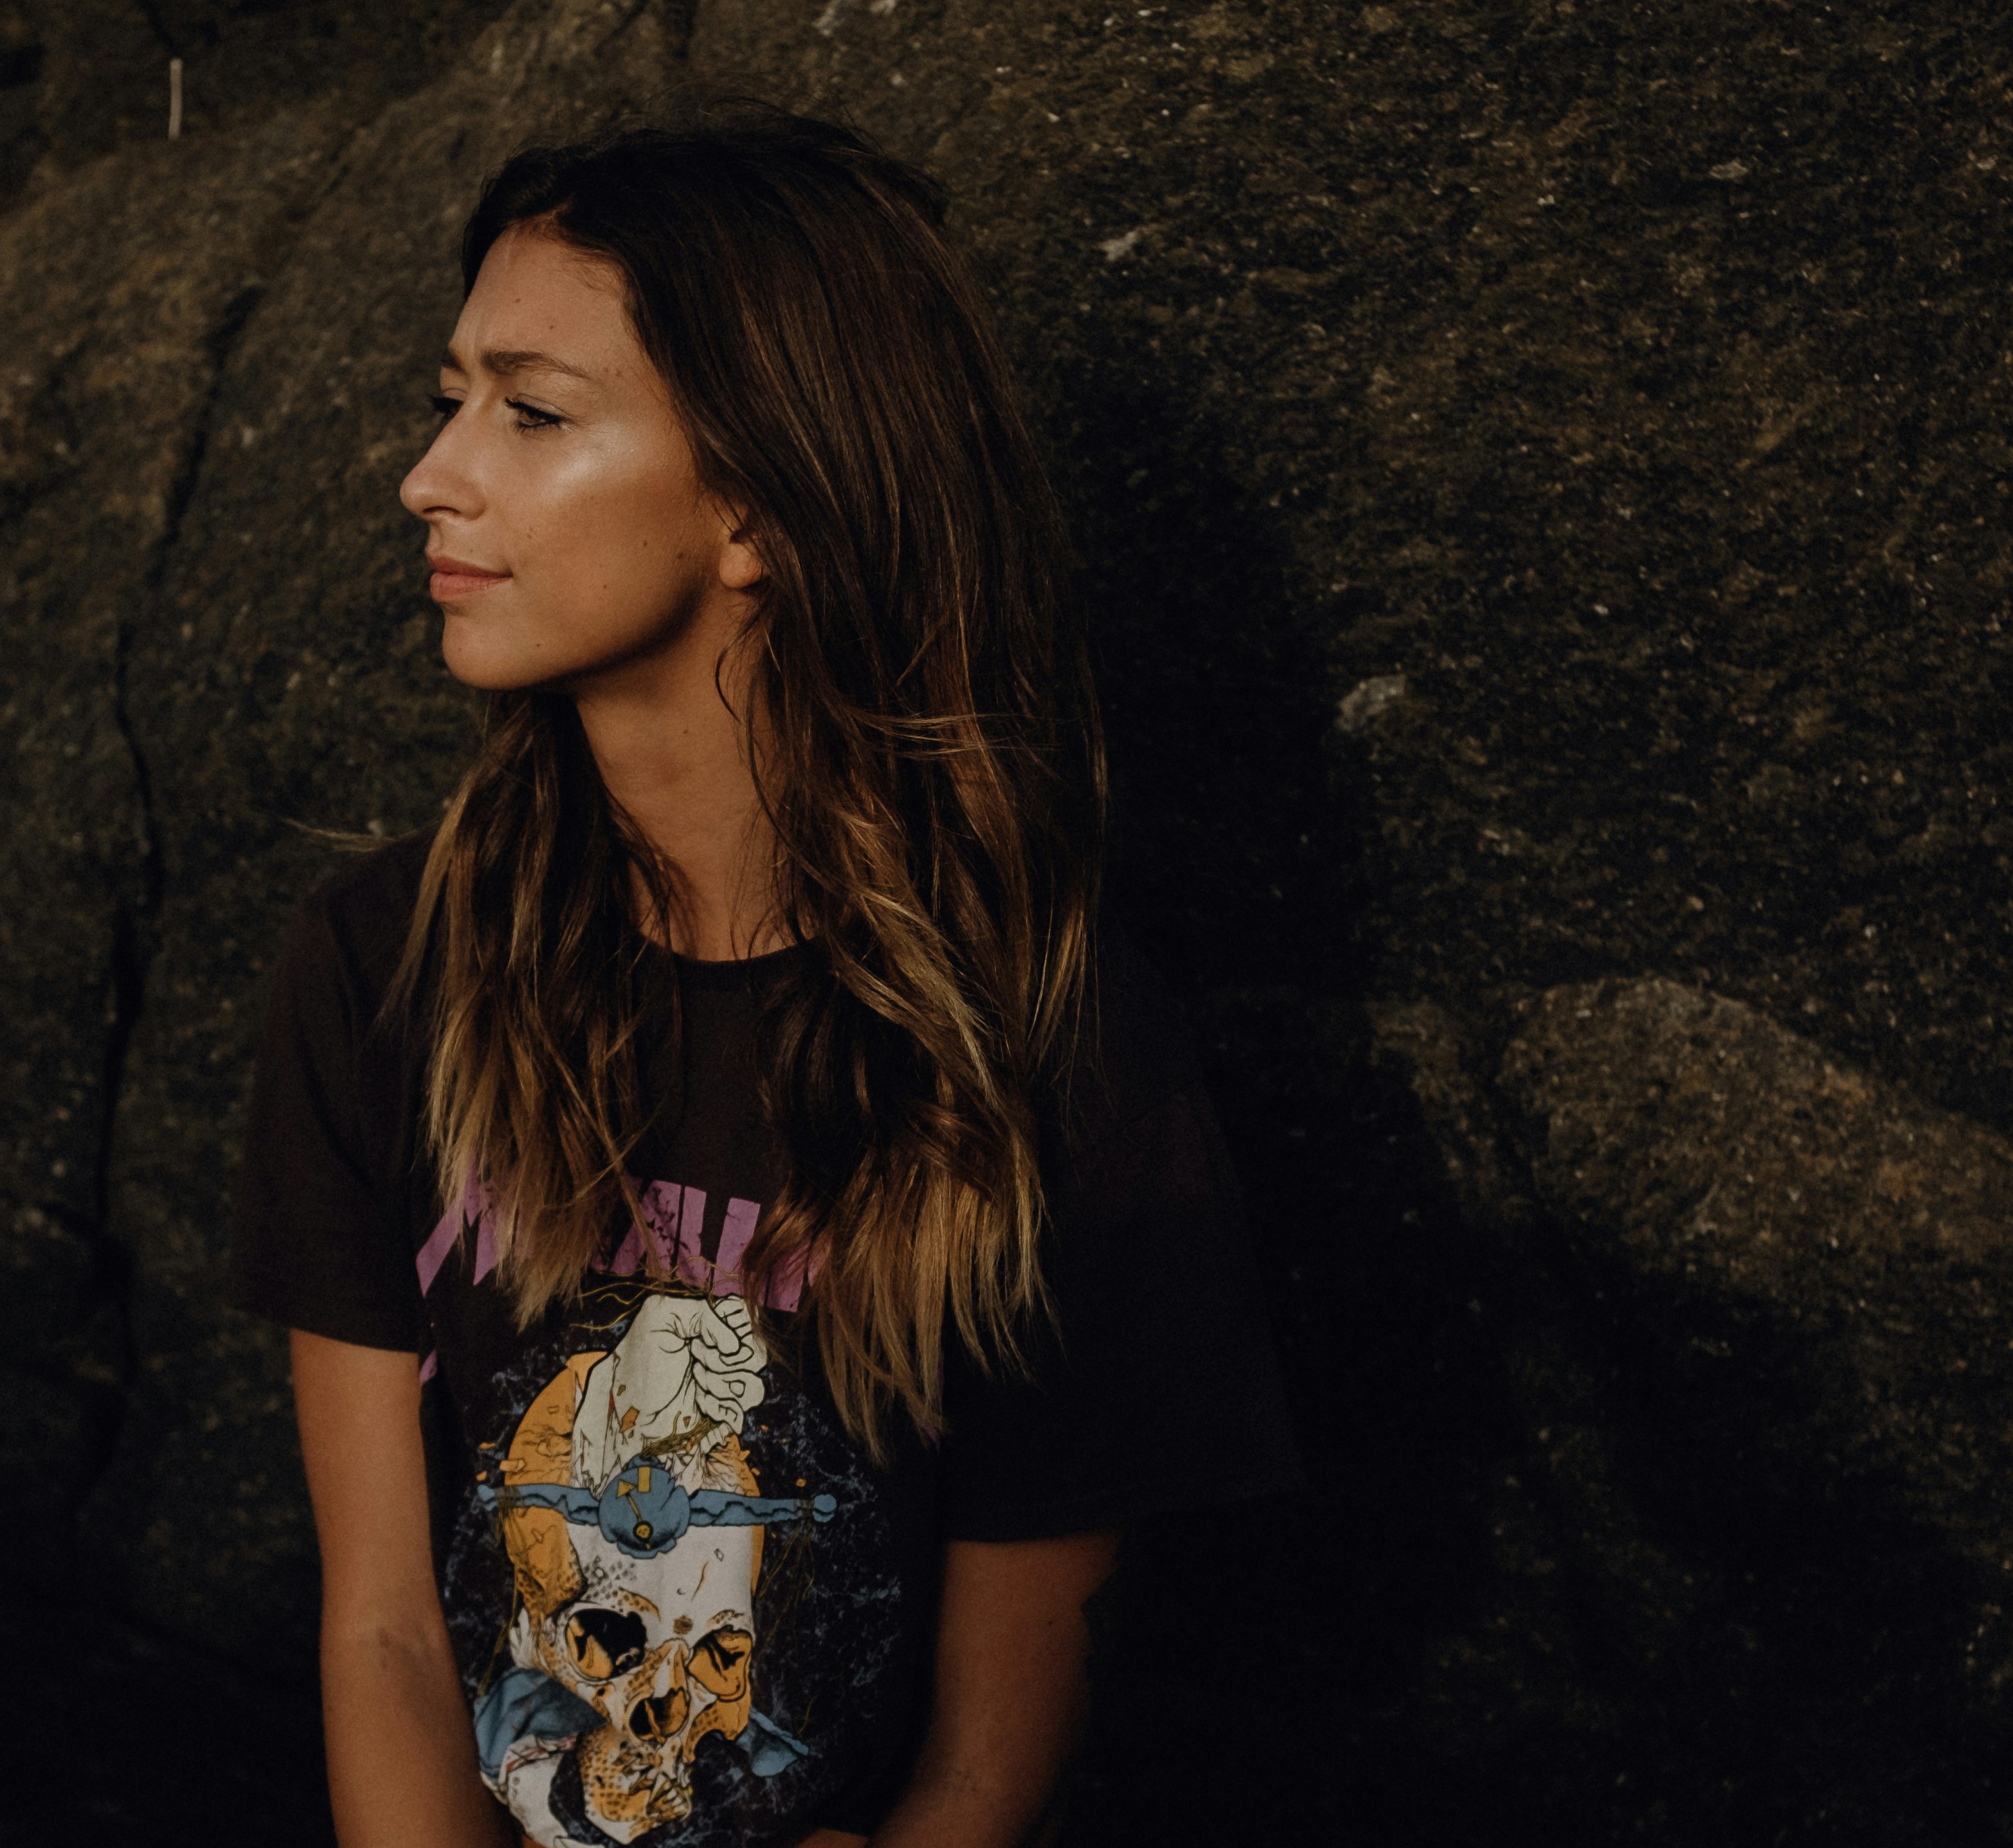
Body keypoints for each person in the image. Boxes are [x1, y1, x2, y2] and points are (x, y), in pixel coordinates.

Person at [230, 105, 1297, 1848]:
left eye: (532, 408)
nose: (432, 473)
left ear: (756, 506)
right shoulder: (379, 965)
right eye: (451, 397)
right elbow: (384, 1630)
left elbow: (991, 1747)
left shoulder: (1048, 1047)